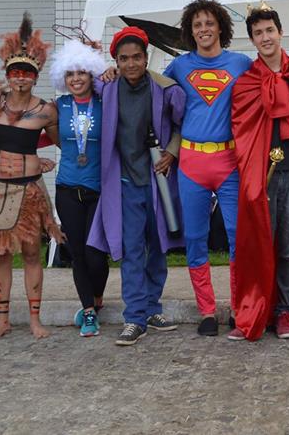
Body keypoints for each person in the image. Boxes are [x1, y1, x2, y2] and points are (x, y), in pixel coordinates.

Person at [87, 27, 186, 346]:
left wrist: (172, 151)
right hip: (125, 183)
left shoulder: (165, 89)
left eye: (136, 57)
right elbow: (81, 83)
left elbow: (184, 123)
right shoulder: (108, 87)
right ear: (116, 60)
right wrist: (102, 71)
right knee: (131, 250)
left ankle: (152, 308)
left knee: (157, 247)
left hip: (157, 181)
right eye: (123, 59)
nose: (130, 64)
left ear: (146, 58)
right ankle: (134, 317)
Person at [163, 0, 253, 336]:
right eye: (197, 24)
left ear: (221, 27)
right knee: (196, 237)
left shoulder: (241, 63)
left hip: (229, 160)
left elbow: (272, 79)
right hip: (191, 160)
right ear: (191, 30)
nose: (204, 29)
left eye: (209, 23)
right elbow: (151, 88)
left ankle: (239, 307)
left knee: (236, 235)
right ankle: (207, 311)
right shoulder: (179, 67)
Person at [231, 2, 289, 341]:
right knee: (261, 244)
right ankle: (257, 310)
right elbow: (241, 129)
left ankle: (285, 311)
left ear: (281, 33)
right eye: (258, 33)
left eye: (270, 30)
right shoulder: (247, 81)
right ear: (252, 40)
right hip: (264, 174)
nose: (265, 37)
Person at [0, 13, 66, 341]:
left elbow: (66, 143)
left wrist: (40, 160)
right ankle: (2, 320)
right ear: (7, 74)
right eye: (15, 73)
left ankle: (35, 318)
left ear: (36, 76)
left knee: (32, 253)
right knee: (1, 254)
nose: (20, 79)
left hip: (29, 190)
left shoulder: (47, 110)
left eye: (27, 73)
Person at [47, 38, 110, 337]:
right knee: (78, 253)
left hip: (99, 189)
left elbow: (122, 79)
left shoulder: (105, 100)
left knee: (97, 253)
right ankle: (88, 310)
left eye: (82, 72)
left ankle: (96, 299)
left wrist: (107, 68)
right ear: (63, 77)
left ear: (91, 75)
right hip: (68, 188)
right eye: (70, 74)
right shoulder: (58, 106)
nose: (76, 79)